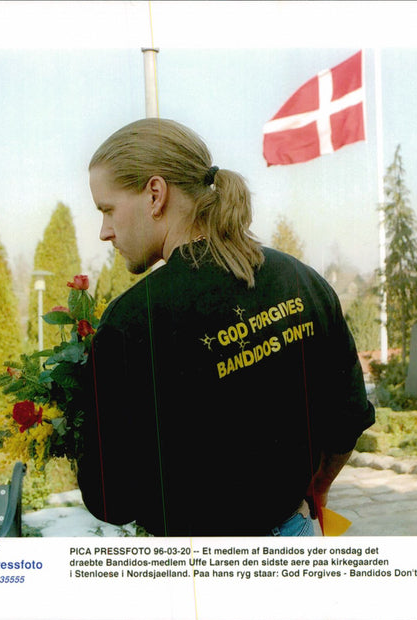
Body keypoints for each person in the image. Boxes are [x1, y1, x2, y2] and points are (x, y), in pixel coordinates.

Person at [77, 118, 375, 536]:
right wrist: (318, 486)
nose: (105, 231)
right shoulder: (300, 279)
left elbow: (111, 500)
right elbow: (348, 415)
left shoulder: (131, 322)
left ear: (155, 194)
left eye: (107, 209)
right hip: (295, 534)